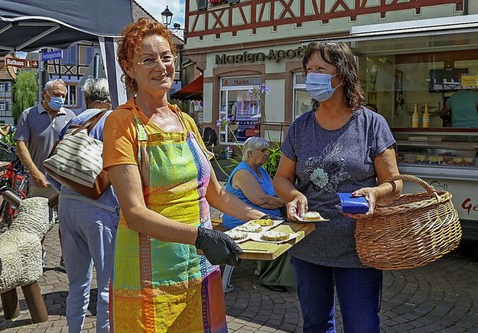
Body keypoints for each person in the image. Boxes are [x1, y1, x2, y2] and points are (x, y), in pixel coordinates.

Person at [103, 18, 270, 333]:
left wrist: (264, 219)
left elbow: (217, 195)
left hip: (199, 270)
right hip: (148, 274)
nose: (161, 66)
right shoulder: (121, 123)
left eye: (166, 57)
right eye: (148, 59)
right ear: (128, 66)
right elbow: (135, 213)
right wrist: (202, 236)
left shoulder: (187, 122)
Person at [273, 42, 402, 332]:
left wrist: (375, 193)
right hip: (308, 246)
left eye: (320, 69)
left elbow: (395, 183)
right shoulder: (301, 127)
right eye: (309, 70)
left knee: (362, 326)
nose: (311, 76)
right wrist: (292, 194)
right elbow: (281, 178)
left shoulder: (372, 124)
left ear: (341, 76)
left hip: (358, 248)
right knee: (316, 324)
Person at [49, 78, 118, 332]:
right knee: (107, 286)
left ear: (87, 98)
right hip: (101, 208)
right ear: (110, 99)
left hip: (67, 205)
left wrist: (68, 193)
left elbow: (54, 169)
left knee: (76, 283)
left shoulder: (71, 122)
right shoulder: (114, 121)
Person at [221, 137, 295, 292]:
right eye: (263, 150)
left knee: (294, 231)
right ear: (250, 153)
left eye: (267, 150)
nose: (267, 153)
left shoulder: (260, 170)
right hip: (244, 219)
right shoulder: (243, 172)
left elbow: (273, 193)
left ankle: (274, 273)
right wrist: (286, 201)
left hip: (265, 218)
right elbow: (261, 200)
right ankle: (271, 278)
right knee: (284, 235)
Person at [14, 79, 75, 198]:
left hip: (63, 182)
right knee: (39, 215)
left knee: (62, 217)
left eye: (63, 96)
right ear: (44, 93)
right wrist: (34, 172)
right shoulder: (29, 114)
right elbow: (21, 146)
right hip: (39, 182)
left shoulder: (70, 116)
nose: (60, 99)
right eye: (57, 94)